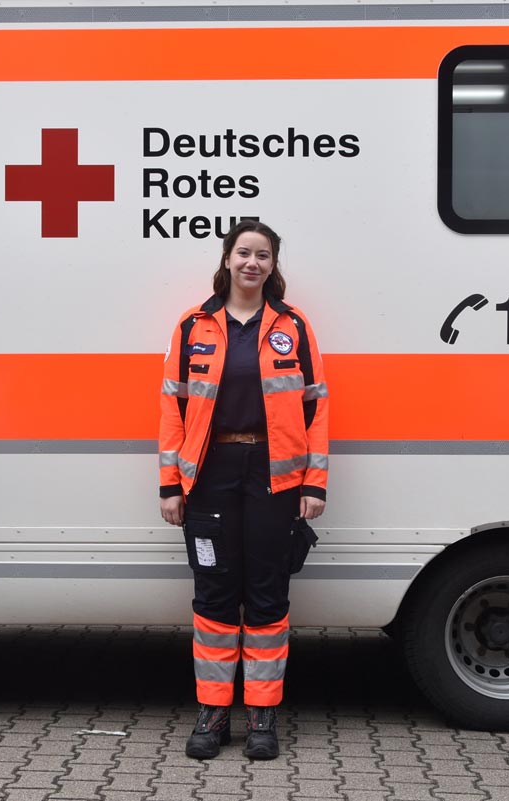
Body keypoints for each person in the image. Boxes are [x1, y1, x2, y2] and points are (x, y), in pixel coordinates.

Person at [158, 220, 329, 761]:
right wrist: (170, 484)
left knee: (266, 595)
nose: (252, 263)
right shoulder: (193, 326)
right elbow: (172, 409)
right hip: (209, 474)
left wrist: (314, 482)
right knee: (213, 594)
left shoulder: (294, 326)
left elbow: (317, 408)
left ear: (273, 265)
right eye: (243, 253)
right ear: (227, 259)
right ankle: (212, 712)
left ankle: (261, 715)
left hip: (275, 476)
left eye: (263, 255)